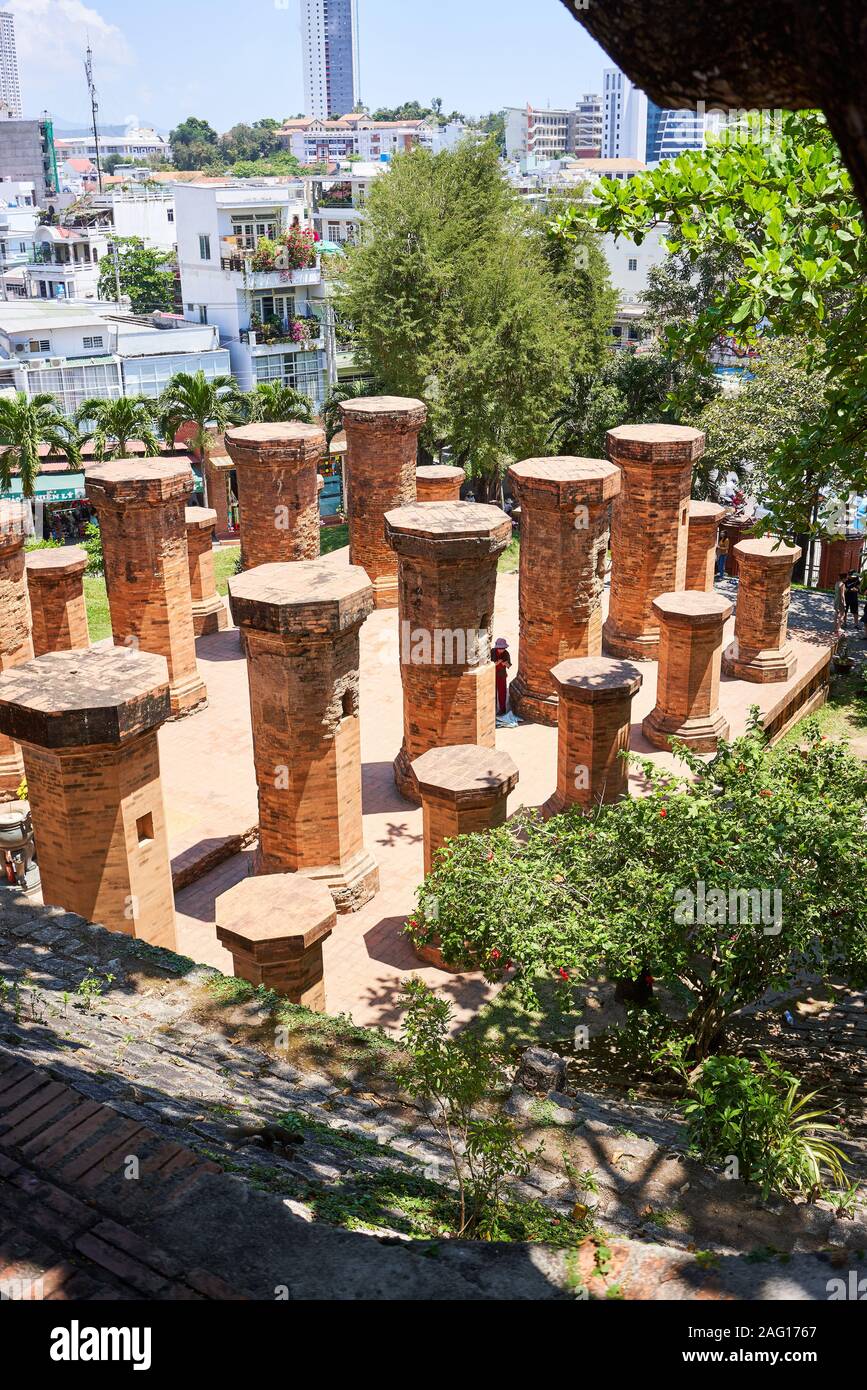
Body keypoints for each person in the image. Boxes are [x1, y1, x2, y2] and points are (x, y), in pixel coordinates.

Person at [491, 637, 511, 716]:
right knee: (492, 693)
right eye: (500, 648)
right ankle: (492, 709)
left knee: (502, 693)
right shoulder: (492, 652)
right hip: (492, 674)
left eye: (503, 648)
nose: (501, 650)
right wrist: (496, 663)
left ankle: (502, 710)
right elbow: (488, 664)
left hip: (502, 676)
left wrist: (505, 664)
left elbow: (509, 665)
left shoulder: (506, 653)